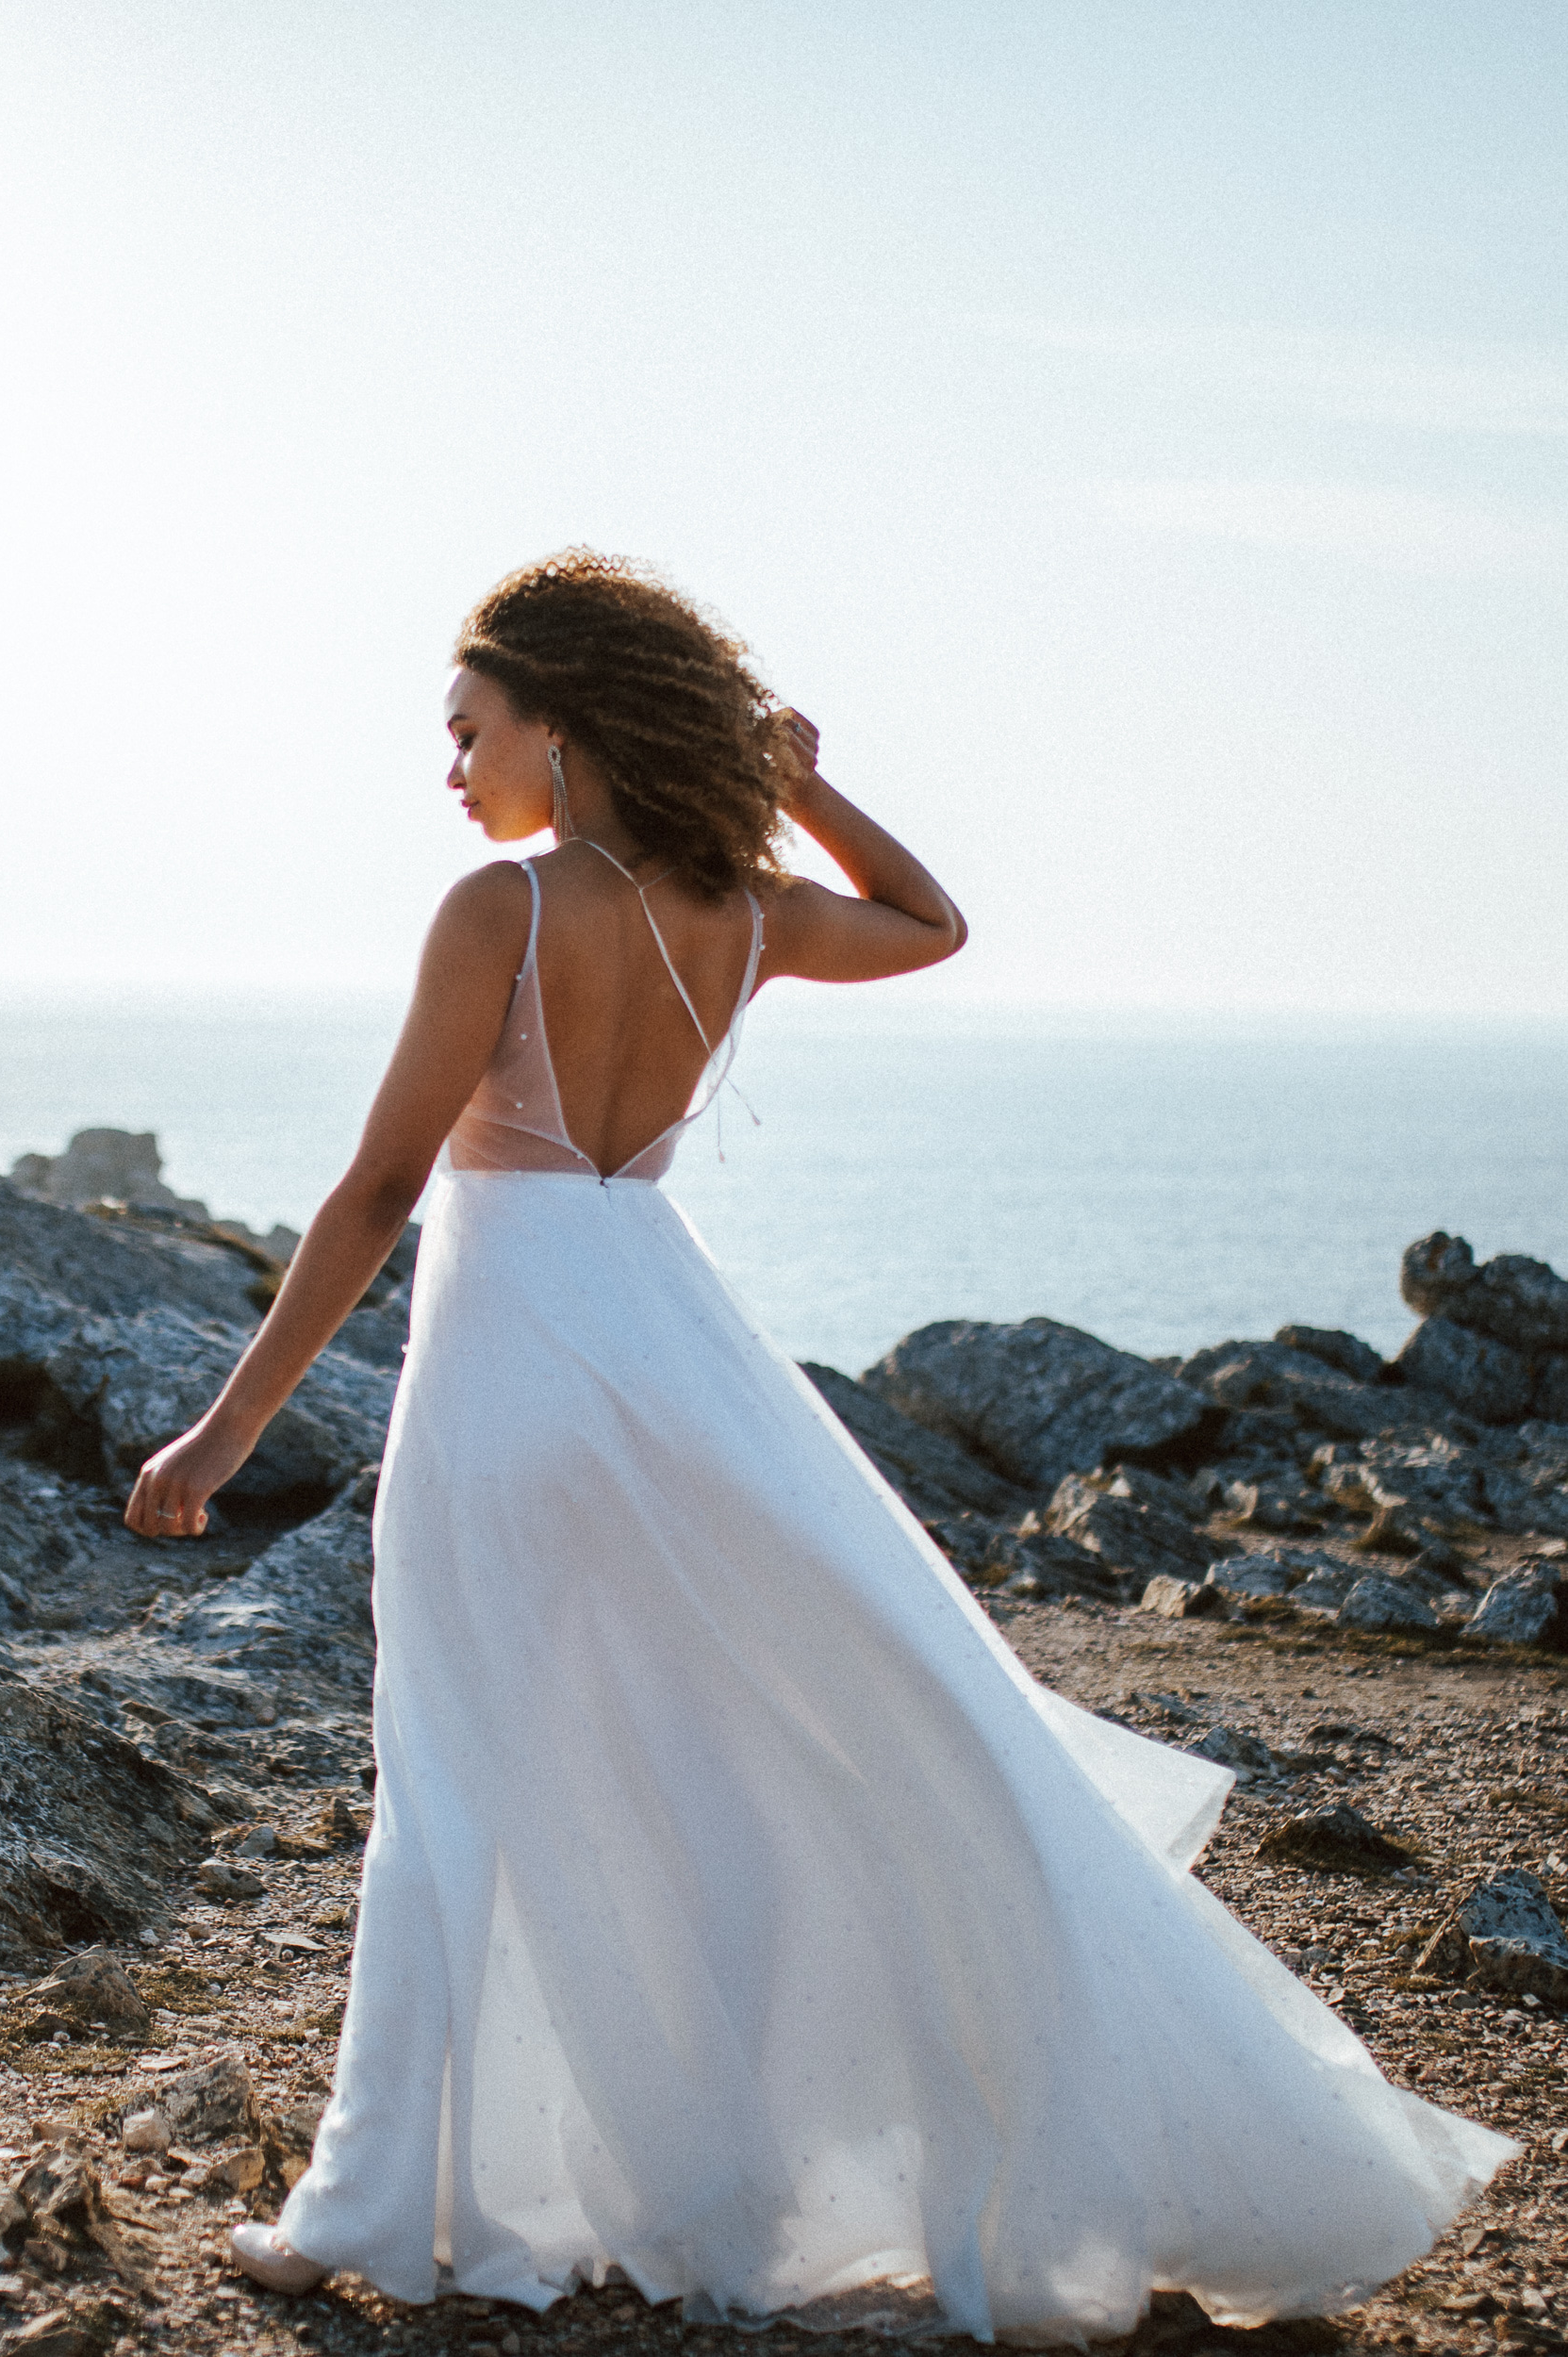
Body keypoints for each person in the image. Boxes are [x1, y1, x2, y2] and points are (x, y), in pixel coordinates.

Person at [126, 552, 1510, 2342]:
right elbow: (932, 924)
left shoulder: (502, 910)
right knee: (742, 1766)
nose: (451, 770)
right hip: (681, 1364)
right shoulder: (744, 909)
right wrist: (804, 786)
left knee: (469, 1776)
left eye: (468, 731)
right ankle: (729, 2173)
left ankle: (377, 2207)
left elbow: (386, 1187)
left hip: (518, 1379)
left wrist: (222, 1431)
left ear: (562, 717)